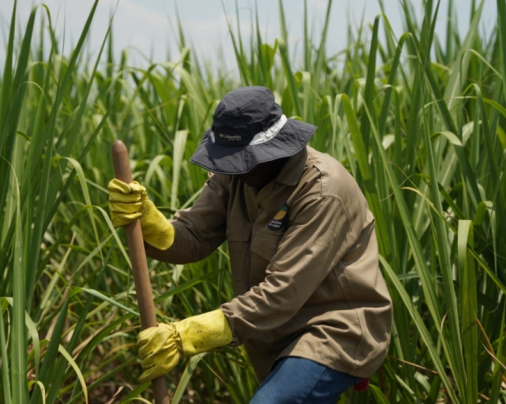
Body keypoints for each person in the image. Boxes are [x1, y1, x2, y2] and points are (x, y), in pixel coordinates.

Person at [108, 86, 392, 403]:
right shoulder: (237, 176)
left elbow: (282, 293)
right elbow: (194, 237)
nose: (234, 171)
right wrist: (149, 222)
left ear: (275, 149)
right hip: (275, 332)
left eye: (243, 161)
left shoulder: (322, 190)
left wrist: (185, 335)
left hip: (335, 330)